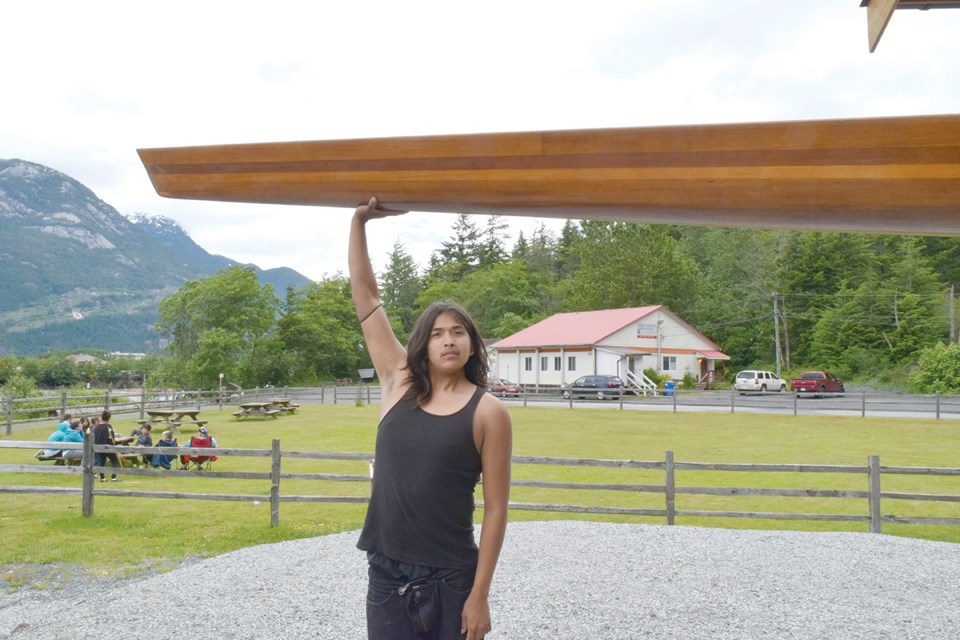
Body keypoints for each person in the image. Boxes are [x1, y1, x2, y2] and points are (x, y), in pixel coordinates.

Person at [349, 197, 512, 640]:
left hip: (452, 579)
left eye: (459, 332)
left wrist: (479, 595)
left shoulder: (488, 412)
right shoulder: (397, 380)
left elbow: (496, 509)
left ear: (473, 345)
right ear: (422, 344)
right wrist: (359, 221)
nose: (449, 340)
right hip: (385, 574)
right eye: (437, 333)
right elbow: (366, 298)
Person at [92, 410, 120, 482]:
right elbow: (112, 437)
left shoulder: (97, 427)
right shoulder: (108, 426)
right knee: (115, 461)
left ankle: (102, 478)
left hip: (99, 447)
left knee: (102, 462)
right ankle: (113, 477)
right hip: (108, 446)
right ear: (109, 418)